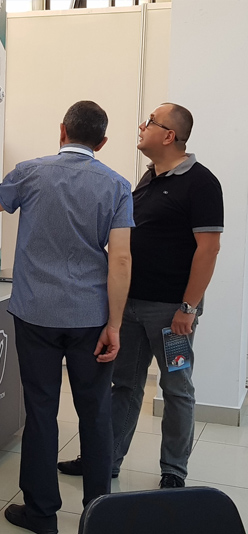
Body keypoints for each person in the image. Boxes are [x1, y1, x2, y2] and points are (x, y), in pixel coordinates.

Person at [0, 100, 133, 534]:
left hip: (36, 313)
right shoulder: (117, 185)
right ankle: (99, 513)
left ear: (62, 130)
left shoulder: (31, 172)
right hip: (90, 317)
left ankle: (41, 513)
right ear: (103, 142)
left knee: (40, 409)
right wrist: (114, 324)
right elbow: (121, 259)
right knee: (96, 413)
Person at [58, 103, 223, 489]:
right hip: (130, 307)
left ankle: (173, 472)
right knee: (125, 385)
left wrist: (188, 308)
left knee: (176, 388)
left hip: (171, 313)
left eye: (150, 122)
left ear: (169, 136)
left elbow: (209, 249)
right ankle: (106, 460)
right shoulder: (149, 178)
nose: (141, 126)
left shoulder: (202, 183)